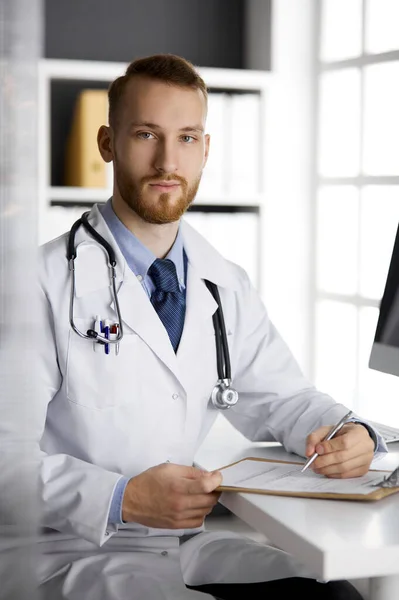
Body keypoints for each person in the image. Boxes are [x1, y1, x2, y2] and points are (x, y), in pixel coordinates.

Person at [36, 53, 386, 600]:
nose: (167, 161)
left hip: (181, 544)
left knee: (333, 594)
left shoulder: (222, 282)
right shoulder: (37, 283)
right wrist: (119, 497)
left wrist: (346, 432)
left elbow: (283, 396)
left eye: (188, 137)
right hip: (65, 555)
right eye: (147, 134)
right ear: (107, 143)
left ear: (206, 149)